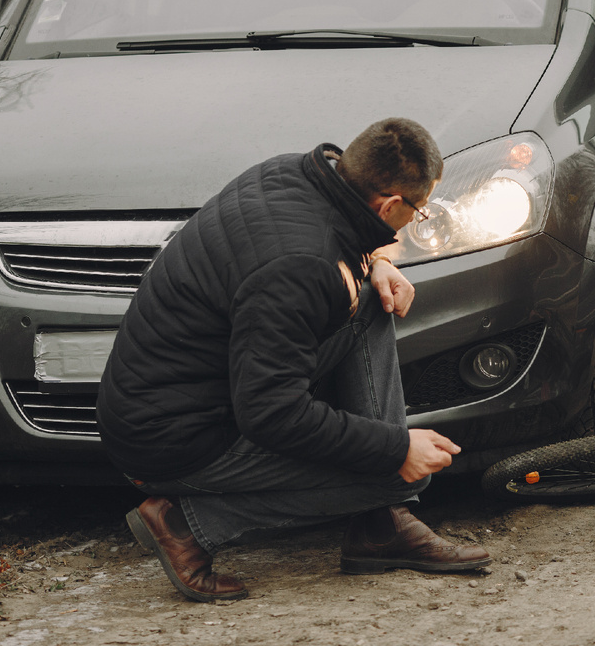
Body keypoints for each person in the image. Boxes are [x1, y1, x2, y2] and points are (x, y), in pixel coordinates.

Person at [96, 118, 491, 603]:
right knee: (398, 472)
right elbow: (271, 413)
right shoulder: (301, 265)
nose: (418, 218)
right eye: (420, 210)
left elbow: (342, 248)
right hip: (174, 440)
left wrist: (380, 262)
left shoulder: (294, 174)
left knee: (371, 303)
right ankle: (184, 524)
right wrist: (394, 449)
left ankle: (382, 527)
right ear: (389, 204)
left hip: (185, 391)